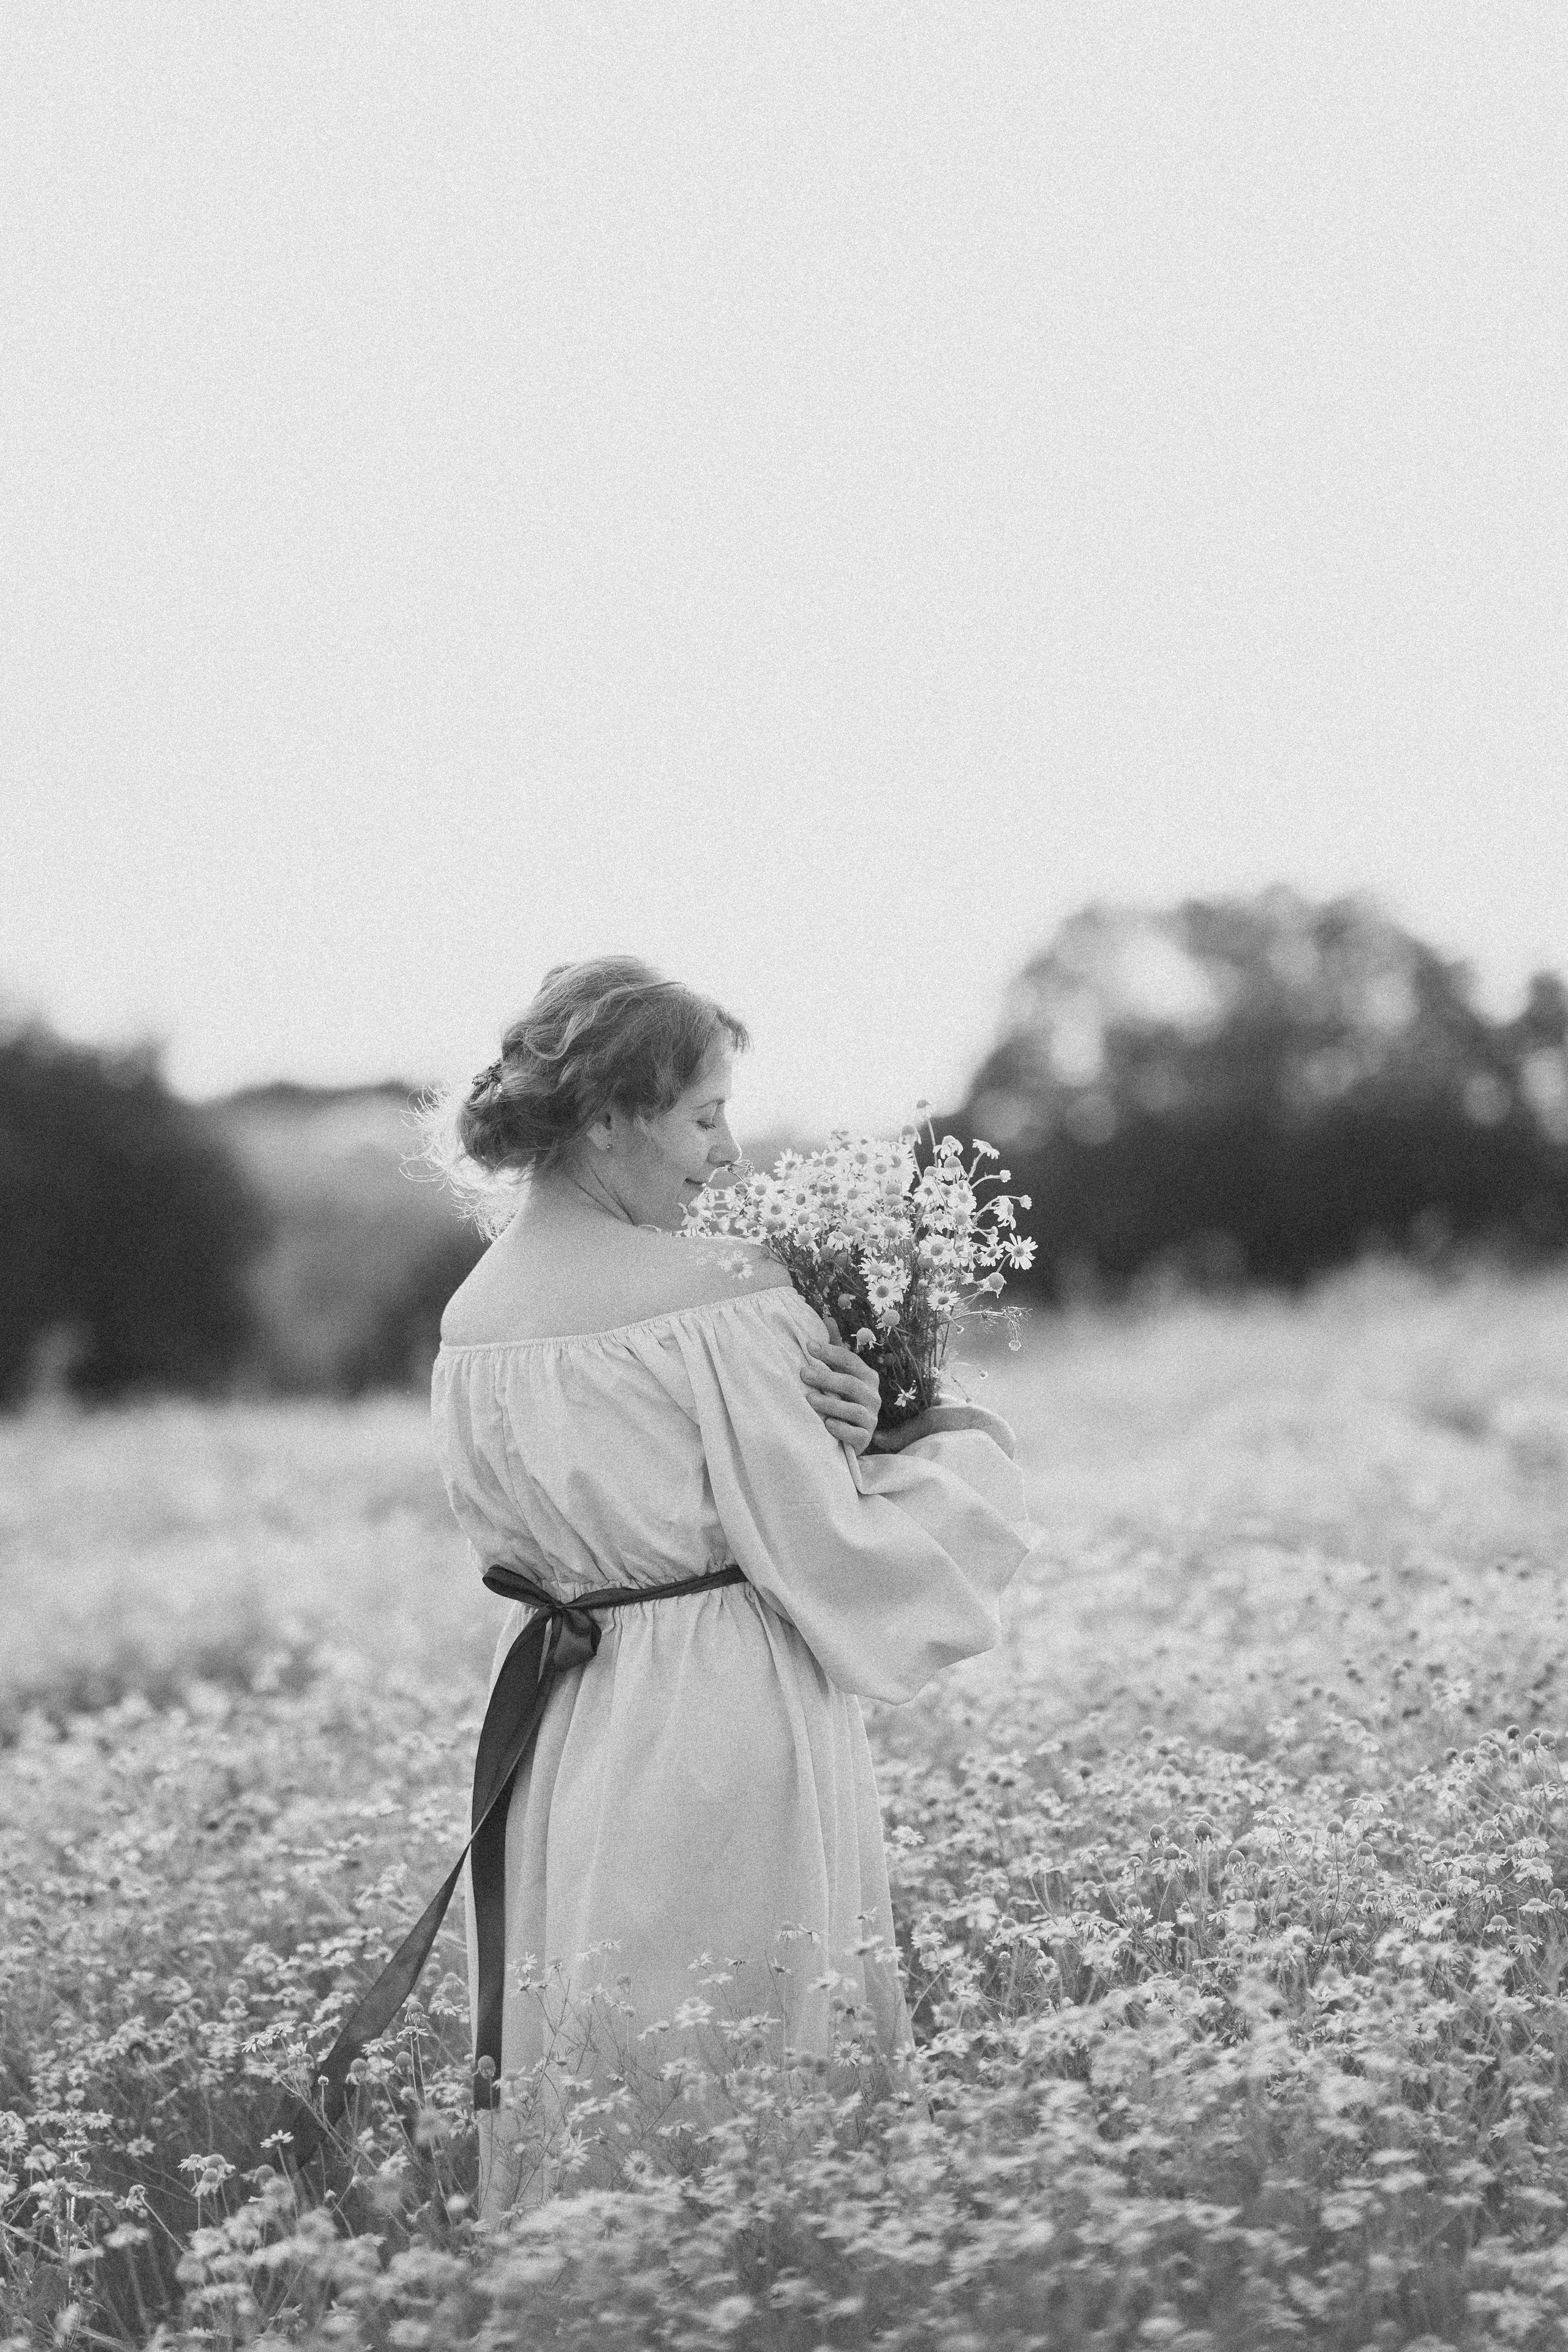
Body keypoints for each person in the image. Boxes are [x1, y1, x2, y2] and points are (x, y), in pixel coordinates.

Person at [427, 956, 1033, 2211]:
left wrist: (840, 1428)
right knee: (747, 2034)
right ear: (609, 1118)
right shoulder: (724, 1299)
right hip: (724, 1713)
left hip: (564, 1726)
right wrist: (950, 1442)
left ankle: (602, 2278)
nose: (727, 1152)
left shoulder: (471, 1323)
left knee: (598, 2032)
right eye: (703, 1116)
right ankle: (773, 2273)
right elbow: (835, 1551)